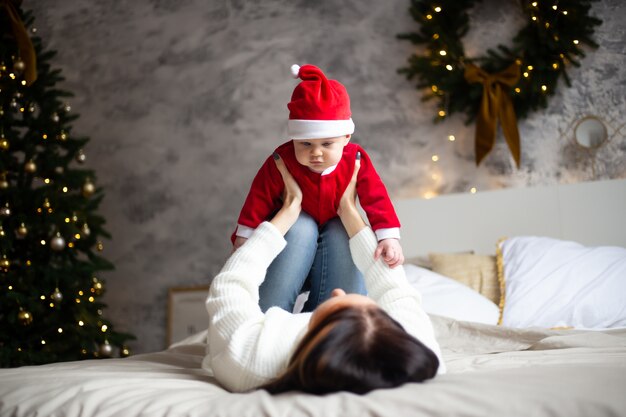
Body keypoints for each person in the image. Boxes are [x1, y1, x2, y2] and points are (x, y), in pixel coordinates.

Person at [203, 153, 444, 395]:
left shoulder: (253, 359)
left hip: (266, 328)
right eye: (374, 311)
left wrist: (288, 209)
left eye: (338, 309)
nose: (338, 294)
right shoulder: (413, 351)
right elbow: (395, 290)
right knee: (341, 229)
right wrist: (349, 209)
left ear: (317, 331)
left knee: (299, 227)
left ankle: (296, 220)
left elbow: (229, 285)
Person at [232, 64, 405, 313]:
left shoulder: (355, 158)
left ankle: (320, 320)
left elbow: (376, 198)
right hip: (293, 239)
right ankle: (274, 320)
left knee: (341, 230)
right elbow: (258, 197)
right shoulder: (282, 159)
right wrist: (244, 236)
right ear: (294, 140)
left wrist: (388, 237)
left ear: (346, 138)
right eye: (305, 143)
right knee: (300, 225)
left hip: (335, 233)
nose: (315, 153)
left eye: (326, 143)